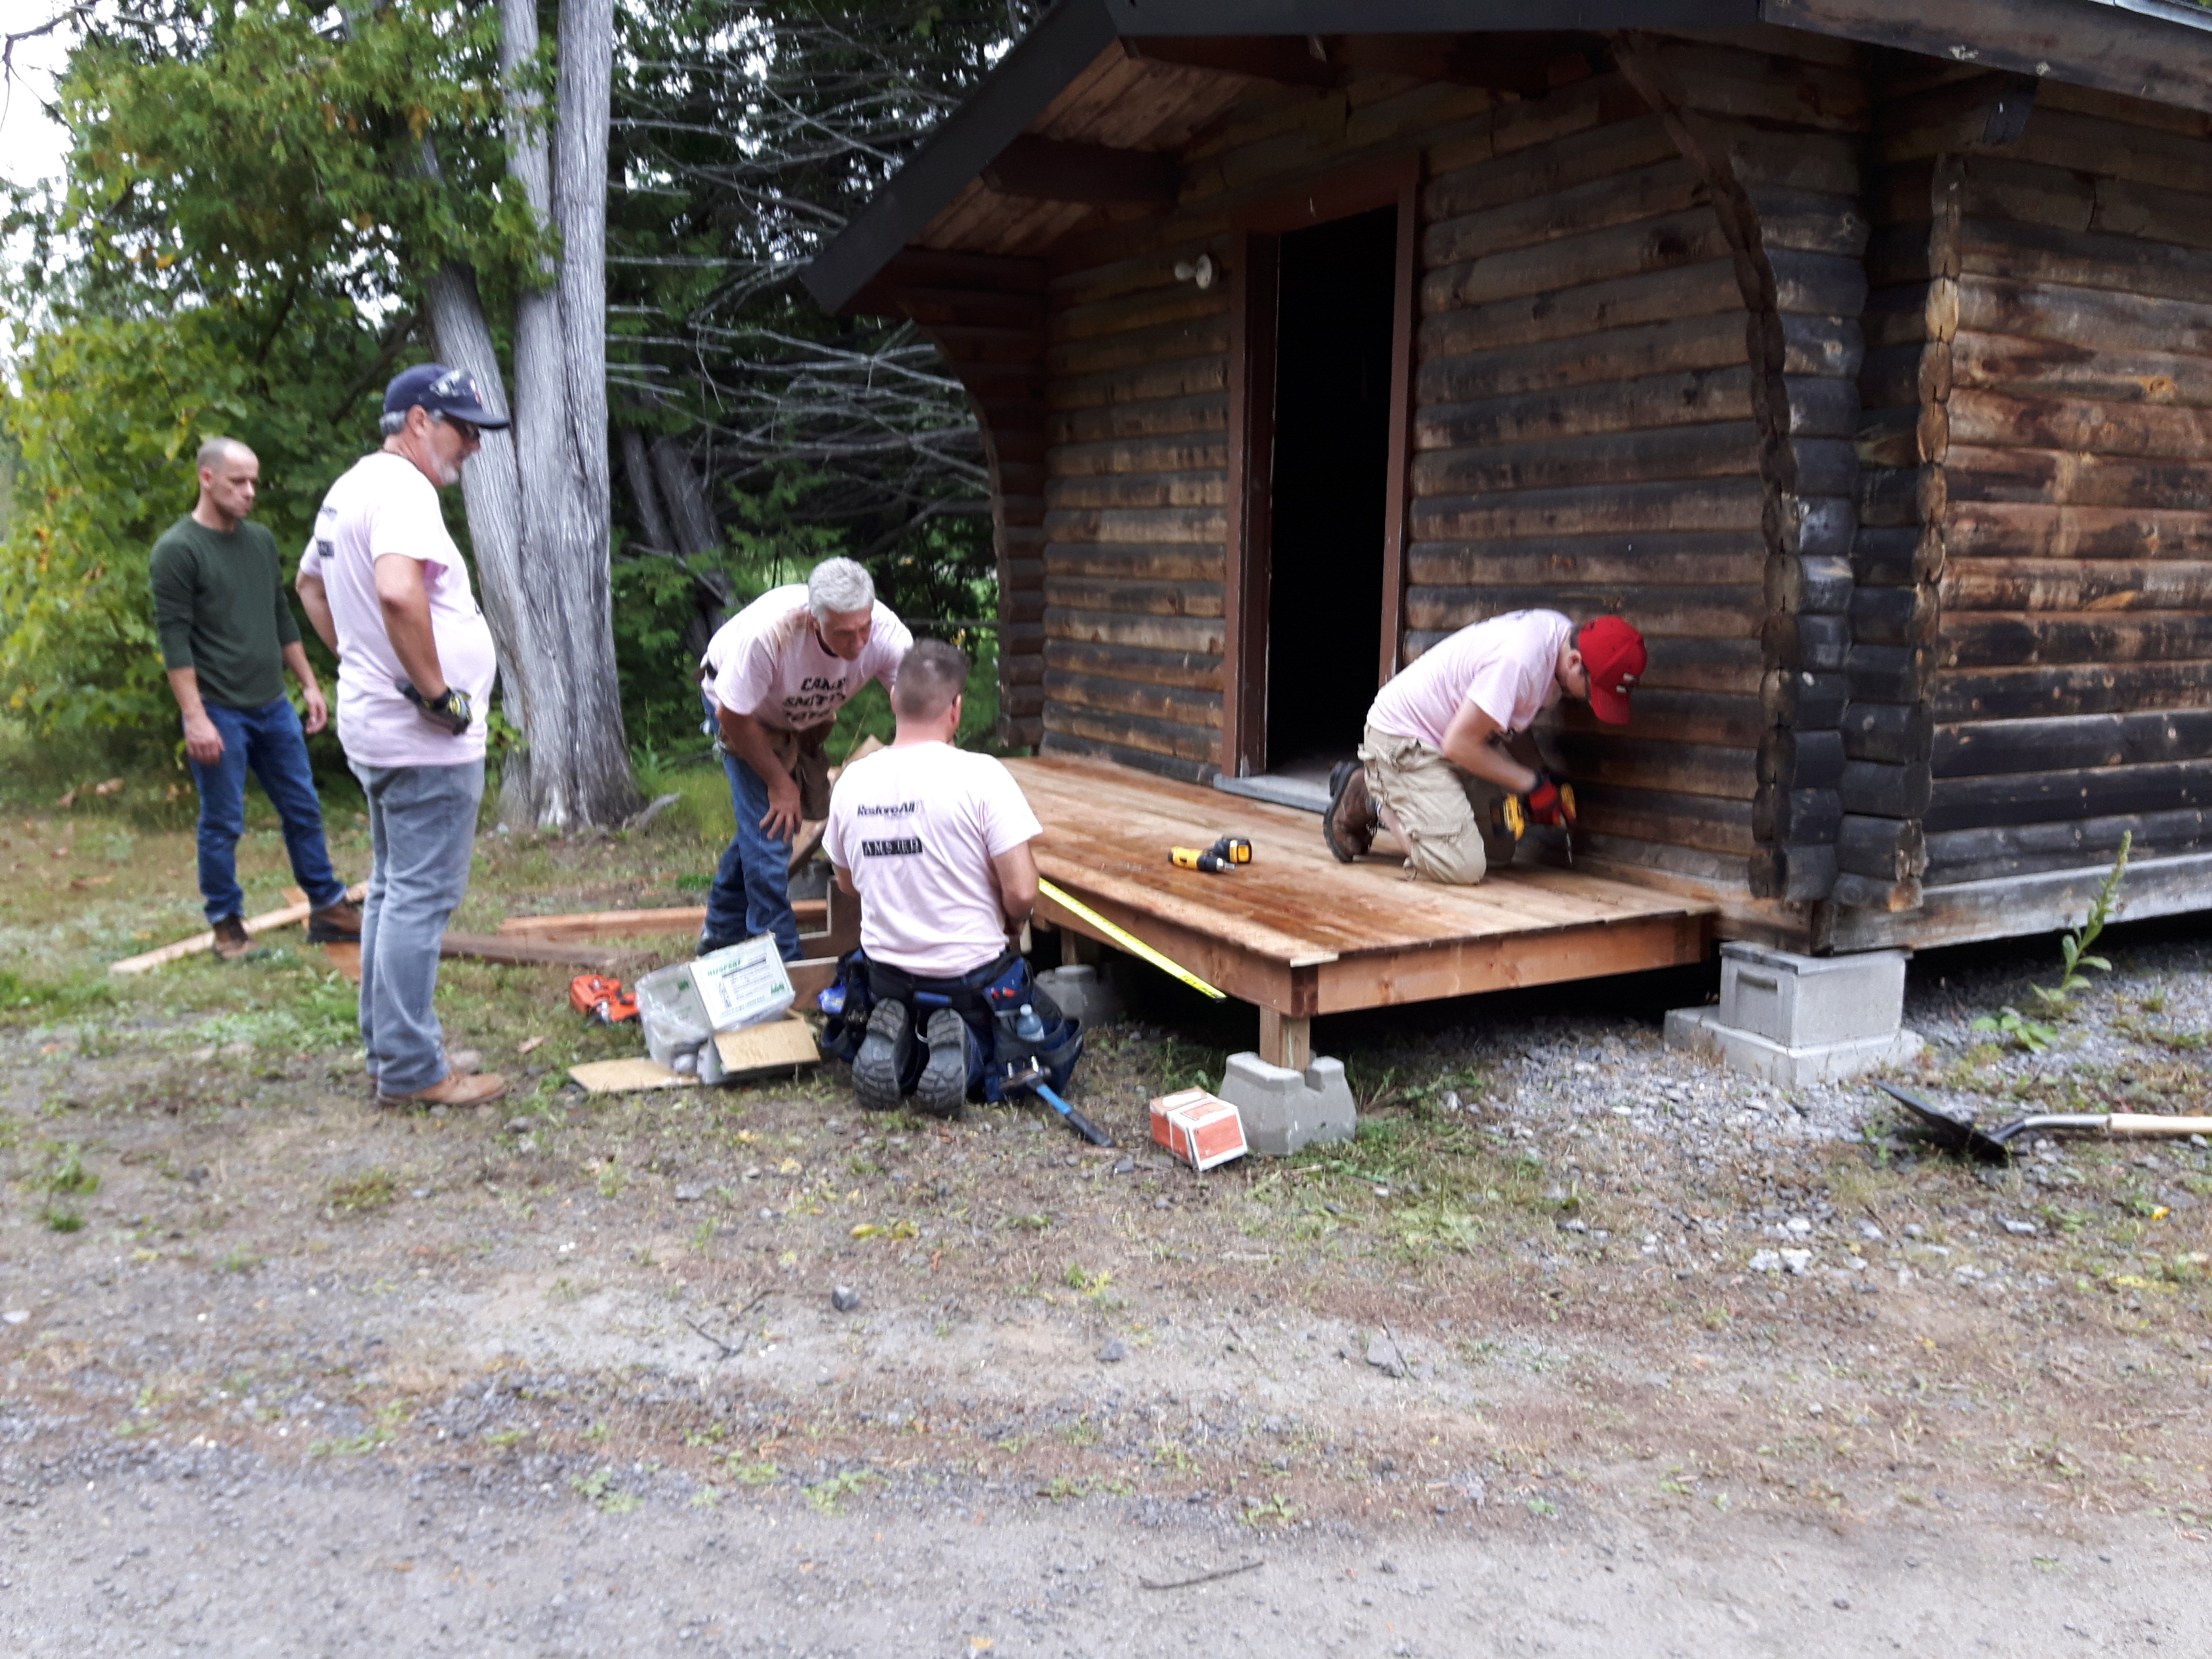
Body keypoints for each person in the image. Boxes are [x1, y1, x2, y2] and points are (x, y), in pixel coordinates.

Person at [294, 365, 510, 1109]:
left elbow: (310, 587)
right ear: (418, 420)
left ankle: (395, 1045)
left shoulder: (349, 488)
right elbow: (395, 588)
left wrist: (358, 658)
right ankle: (416, 1071)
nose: (474, 445)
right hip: (422, 738)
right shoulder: (402, 491)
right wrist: (435, 692)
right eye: (464, 428)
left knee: (391, 891)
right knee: (419, 898)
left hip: (376, 726)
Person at [151, 437, 360, 962]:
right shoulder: (178, 550)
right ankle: (227, 927)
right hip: (219, 711)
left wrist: (310, 683)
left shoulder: (260, 541)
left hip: (272, 705)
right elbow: (174, 642)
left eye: (254, 482)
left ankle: (328, 908)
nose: (250, 492)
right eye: (237, 482)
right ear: (206, 478)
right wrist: (195, 718)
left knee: (303, 808)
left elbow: (280, 616)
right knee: (223, 822)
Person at [823, 640, 1043, 1118]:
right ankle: (962, 1045)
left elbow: (847, 886)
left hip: (886, 974)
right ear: (956, 708)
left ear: (892, 699)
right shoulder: (983, 776)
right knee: (1033, 1025)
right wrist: (1013, 924)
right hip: (968, 978)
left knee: (886, 986)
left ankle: (900, 1038)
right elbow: (1023, 890)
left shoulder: (851, 782)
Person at [1326, 611, 1647, 884]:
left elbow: (1509, 719)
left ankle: (1406, 804)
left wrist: (1542, 776)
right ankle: (1373, 798)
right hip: (1403, 740)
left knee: (1498, 849)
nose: (1591, 703)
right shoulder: (1521, 663)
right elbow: (1458, 743)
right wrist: (1530, 784)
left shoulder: (1558, 640)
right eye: (1593, 693)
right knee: (1462, 865)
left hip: (1451, 741)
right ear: (1575, 662)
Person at [699, 557, 912, 960]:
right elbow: (733, 715)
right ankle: (781, 960)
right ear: (815, 621)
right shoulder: (771, 635)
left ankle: (721, 931)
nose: (860, 642)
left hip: (801, 715)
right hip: (743, 713)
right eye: (845, 634)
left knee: (762, 824)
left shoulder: (886, 633)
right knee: (773, 828)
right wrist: (780, 784)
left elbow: (916, 702)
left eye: (864, 628)